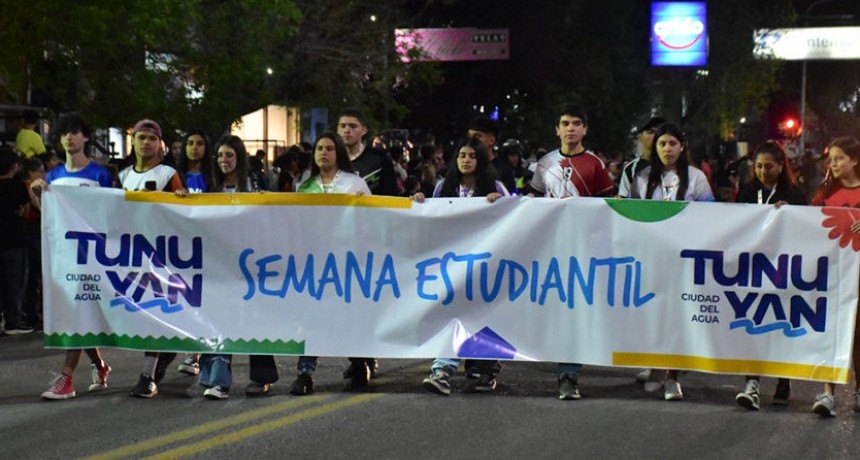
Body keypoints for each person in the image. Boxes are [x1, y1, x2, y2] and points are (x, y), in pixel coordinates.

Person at [530, 104, 615, 400]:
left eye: (577, 123)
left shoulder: (595, 165)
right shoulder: (544, 164)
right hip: (549, 248)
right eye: (565, 123)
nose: (571, 129)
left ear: (585, 130)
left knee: (575, 310)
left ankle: (568, 375)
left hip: (584, 250)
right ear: (557, 129)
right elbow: (534, 200)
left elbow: (609, 208)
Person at [412, 137, 509, 395]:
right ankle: (442, 369)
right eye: (462, 155)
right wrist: (419, 203)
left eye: (472, 156)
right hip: (451, 265)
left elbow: (514, 220)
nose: (466, 160)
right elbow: (432, 220)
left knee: (482, 315)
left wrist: (499, 203)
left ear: (481, 160)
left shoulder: (496, 186)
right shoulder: (443, 188)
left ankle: (487, 368)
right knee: (452, 316)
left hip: (484, 266)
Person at [627, 123, 714, 401]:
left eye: (673, 143)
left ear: (682, 146)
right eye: (662, 143)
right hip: (649, 256)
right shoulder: (641, 177)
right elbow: (630, 213)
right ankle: (652, 362)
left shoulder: (697, 177)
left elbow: (711, 216)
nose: (667, 149)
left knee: (677, 317)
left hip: (683, 259)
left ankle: (672, 378)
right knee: (651, 312)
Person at [30, 114, 113, 400]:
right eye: (65, 133)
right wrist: (36, 194)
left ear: (86, 138)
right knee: (79, 312)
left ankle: (66, 377)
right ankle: (100, 365)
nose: (69, 137)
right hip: (64, 254)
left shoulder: (100, 175)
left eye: (75, 132)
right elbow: (49, 217)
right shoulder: (53, 176)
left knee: (78, 311)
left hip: (91, 254)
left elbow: (110, 215)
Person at [290, 132, 371, 395]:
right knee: (312, 316)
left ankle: (359, 365)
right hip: (314, 263)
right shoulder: (304, 186)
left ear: (339, 153)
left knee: (351, 314)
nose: (324, 153)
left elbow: (371, 220)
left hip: (348, 261)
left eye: (329, 148)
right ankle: (305, 373)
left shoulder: (355, 184)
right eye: (319, 149)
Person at [732, 140, 806, 411]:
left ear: (781, 166)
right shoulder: (747, 192)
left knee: (781, 324)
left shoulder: (795, 194)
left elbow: (808, 228)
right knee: (753, 324)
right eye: (759, 166)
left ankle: (783, 380)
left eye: (769, 166)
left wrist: (792, 215)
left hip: (784, 271)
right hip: (754, 269)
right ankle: (752, 382)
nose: (763, 171)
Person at [119, 119, 183, 398]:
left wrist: (180, 198)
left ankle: (148, 374)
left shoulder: (169, 174)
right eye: (141, 138)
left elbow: (182, 210)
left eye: (151, 138)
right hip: (128, 252)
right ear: (132, 142)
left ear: (160, 144)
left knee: (155, 309)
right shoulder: (122, 176)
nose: (146, 143)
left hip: (159, 254)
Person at [809, 136, 860, 417]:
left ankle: (859, 390)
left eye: (839, 158)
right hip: (832, 274)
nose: (834, 164)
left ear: (854, 160)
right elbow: (806, 221)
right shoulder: (825, 192)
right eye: (831, 159)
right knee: (831, 330)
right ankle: (827, 392)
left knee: (858, 335)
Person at [0, 147, 32, 335]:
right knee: (15, 281)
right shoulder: (18, 186)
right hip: (15, 241)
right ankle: (13, 320)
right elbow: (26, 211)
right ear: (13, 167)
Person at [336, 109, 398, 196]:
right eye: (342, 126)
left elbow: (392, 196)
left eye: (353, 126)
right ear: (337, 129)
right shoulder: (331, 158)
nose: (346, 130)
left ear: (363, 130)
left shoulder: (380, 158)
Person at [618, 116, 665, 199]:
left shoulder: (672, 165)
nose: (657, 135)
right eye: (651, 132)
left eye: (660, 131)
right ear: (640, 136)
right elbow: (622, 199)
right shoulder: (631, 169)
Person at [468, 116, 516, 194]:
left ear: (491, 140)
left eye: (477, 136)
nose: (471, 140)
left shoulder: (504, 171)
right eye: (469, 136)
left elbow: (510, 202)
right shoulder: (462, 167)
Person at [176, 130, 216, 194]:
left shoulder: (215, 174)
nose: (194, 147)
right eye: (190, 143)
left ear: (206, 148)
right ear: (184, 147)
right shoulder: (174, 175)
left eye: (200, 144)